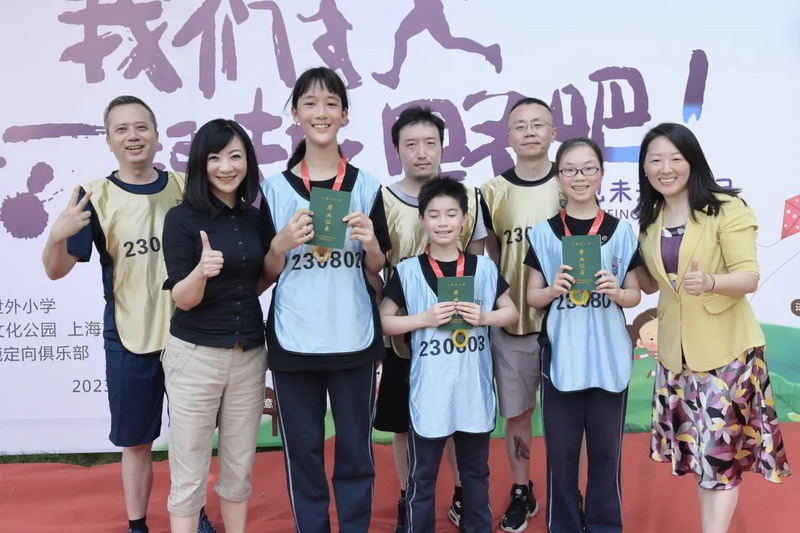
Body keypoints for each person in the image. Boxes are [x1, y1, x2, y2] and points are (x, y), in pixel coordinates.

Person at [40, 96, 199, 533]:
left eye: (141, 127)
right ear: (108, 140)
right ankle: (137, 525)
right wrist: (56, 235)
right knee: (136, 441)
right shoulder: (93, 197)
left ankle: (194, 514)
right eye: (122, 129)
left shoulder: (186, 187)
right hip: (129, 335)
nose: (133, 136)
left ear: (157, 134)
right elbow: (55, 270)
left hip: (190, 334)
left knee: (191, 442)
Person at [633, 123, 791, 533]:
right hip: (678, 356)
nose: (665, 168)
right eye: (655, 160)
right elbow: (652, 282)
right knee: (703, 456)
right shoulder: (650, 218)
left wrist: (711, 282)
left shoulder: (726, 209)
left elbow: (748, 276)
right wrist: (619, 274)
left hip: (728, 355)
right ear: (644, 167)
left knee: (720, 457)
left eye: (675, 158)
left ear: (693, 161)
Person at [260, 66, 391, 533]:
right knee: (304, 453)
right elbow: (263, 275)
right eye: (310, 103)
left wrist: (371, 243)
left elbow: (376, 267)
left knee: (356, 452)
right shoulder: (273, 189)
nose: (321, 112)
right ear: (295, 113)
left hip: (353, 337)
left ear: (345, 114)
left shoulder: (367, 186)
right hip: (294, 339)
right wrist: (279, 245)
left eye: (331, 103)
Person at [380, 176, 518, 533]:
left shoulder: (484, 268)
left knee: (476, 475)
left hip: (473, 391)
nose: (443, 223)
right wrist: (423, 319)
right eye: (434, 214)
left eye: (451, 214)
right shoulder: (408, 270)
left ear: (464, 219)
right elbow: (383, 321)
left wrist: (485, 317)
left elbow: (511, 312)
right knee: (422, 478)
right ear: (422, 220)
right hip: (429, 393)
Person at [373, 105, 488, 532]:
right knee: (404, 423)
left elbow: (476, 260)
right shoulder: (383, 199)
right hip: (406, 333)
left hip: (458, 336)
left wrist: (475, 315)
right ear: (397, 150)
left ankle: (462, 494)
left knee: (459, 417)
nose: (421, 152)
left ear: (442, 146)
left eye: (430, 143)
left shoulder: (467, 196)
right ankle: (410, 499)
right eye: (411, 144)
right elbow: (374, 264)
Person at [525, 137, 642, 532]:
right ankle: (565, 525)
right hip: (562, 356)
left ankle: (605, 524)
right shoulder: (544, 233)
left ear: (601, 174)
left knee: (607, 452)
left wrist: (617, 291)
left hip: (609, 355)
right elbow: (532, 296)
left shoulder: (620, 231)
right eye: (570, 170)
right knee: (561, 454)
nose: (580, 177)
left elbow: (634, 293)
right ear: (558, 176)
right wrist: (552, 289)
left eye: (589, 168)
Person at [160, 119, 271, 533]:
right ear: (200, 164)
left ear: (248, 162)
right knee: (189, 468)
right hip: (195, 357)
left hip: (249, 354)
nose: (226, 167)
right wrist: (201, 272)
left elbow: (257, 280)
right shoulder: (181, 218)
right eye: (215, 157)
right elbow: (182, 298)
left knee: (239, 466)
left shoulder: (255, 217)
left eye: (235, 156)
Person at [479, 96, 563, 532]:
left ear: (553, 132)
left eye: (538, 124)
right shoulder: (491, 192)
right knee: (517, 414)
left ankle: (567, 492)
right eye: (520, 126)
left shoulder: (570, 181)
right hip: (514, 323)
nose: (530, 132)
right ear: (508, 136)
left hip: (569, 321)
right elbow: (489, 254)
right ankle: (520, 489)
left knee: (567, 416)